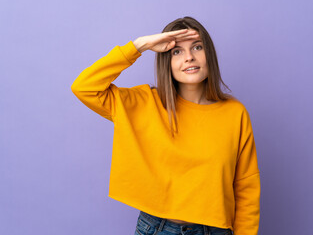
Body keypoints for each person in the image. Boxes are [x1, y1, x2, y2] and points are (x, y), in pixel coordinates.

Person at [71, 16, 260, 235]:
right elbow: (84, 87)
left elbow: (246, 186)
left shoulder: (234, 112)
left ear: (209, 54)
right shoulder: (144, 103)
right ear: (166, 61)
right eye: (177, 51)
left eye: (197, 47)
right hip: (158, 229)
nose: (189, 57)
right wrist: (140, 46)